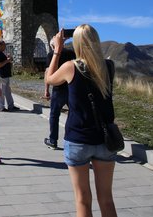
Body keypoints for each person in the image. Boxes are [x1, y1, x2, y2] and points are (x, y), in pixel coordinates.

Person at [45, 25, 117, 217]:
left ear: (76, 43)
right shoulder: (109, 67)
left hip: (78, 139)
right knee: (106, 199)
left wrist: (57, 51)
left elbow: (50, 79)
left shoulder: (71, 67)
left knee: (83, 199)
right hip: (104, 138)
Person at [44, 39, 76, 149]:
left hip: (58, 89)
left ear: (53, 46)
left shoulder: (51, 55)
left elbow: (48, 73)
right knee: (74, 113)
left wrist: (46, 90)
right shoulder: (71, 53)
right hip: (71, 87)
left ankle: (53, 140)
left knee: (54, 115)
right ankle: (71, 139)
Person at [0, 40, 19, 112]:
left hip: (6, 75)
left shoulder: (1, 53)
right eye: (4, 45)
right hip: (1, 75)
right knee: (2, 92)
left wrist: (9, 59)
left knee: (8, 91)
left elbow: (8, 61)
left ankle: (11, 105)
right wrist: (6, 61)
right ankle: (1, 106)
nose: (5, 47)